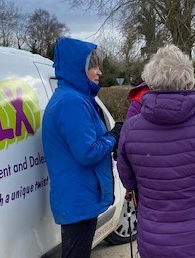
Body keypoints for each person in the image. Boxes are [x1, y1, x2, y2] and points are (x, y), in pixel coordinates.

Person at [116, 45, 195, 258]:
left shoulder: (130, 128)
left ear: (151, 83)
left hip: (154, 241)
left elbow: (129, 183)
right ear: (189, 81)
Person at [41, 37, 123, 258]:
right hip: (77, 198)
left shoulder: (77, 97)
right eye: (92, 66)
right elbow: (87, 152)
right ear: (76, 68)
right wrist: (113, 137)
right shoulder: (71, 102)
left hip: (80, 196)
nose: (99, 72)